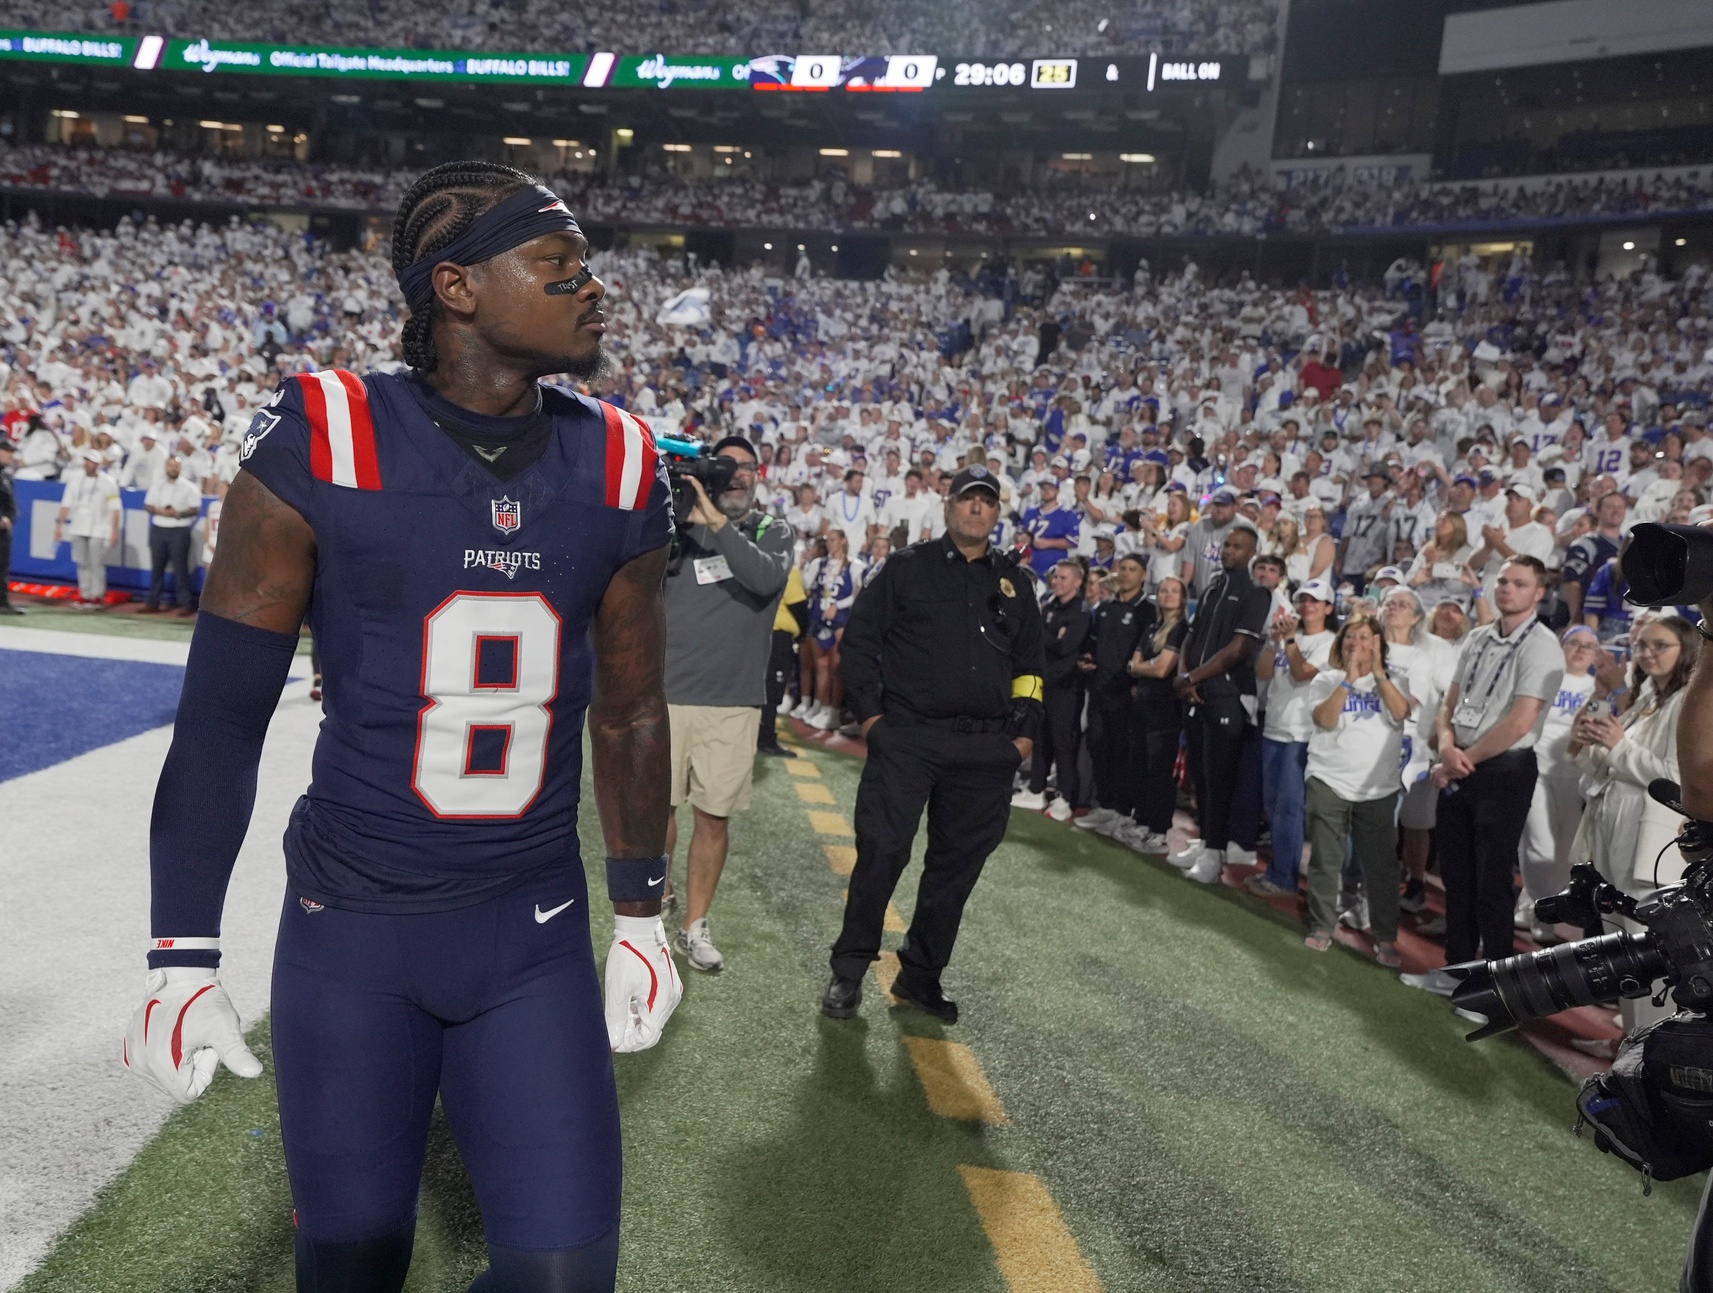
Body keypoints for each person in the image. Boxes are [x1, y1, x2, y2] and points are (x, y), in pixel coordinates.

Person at [123, 161, 681, 1293]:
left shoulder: (620, 457)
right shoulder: (325, 434)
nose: (594, 288)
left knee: (568, 1277)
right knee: (351, 1270)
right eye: (560, 265)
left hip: (530, 929)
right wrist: (180, 949)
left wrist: (642, 912)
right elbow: (224, 719)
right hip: (354, 932)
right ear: (459, 287)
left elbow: (627, 709)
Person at [825, 465, 1044, 1024]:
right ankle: (848, 971)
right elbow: (860, 645)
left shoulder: (1016, 585)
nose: (976, 509)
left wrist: (1022, 736)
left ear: (997, 514)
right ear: (948, 508)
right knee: (881, 854)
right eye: (967, 499)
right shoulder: (906, 568)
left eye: (987, 502)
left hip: (984, 750)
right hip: (909, 738)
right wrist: (873, 720)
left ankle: (920, 976)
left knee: (955, 870)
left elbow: (1031, 669)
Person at [663, 432, 795, 969]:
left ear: (759, 477)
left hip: (734, 703)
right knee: (659, 812)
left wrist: (712, 521)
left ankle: (695, 925)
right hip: (667, 693)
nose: (737, 476)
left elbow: (765, 578)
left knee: (713, 817)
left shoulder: (771, 529)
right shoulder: (674, 524)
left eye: (747, 468)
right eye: (726, 467)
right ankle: (656, 904)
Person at [1403, 556, 1563, 997]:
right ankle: (1456, 971)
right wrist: (1447, 748)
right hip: (1462, 760)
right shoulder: (1476, 637)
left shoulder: (1543, 646)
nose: (1507, 588)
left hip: (1504, 769)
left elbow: (1519, 722)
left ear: (1539, 593)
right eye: (1503, 581)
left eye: (1520, 583)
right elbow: (1448, 706)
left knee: (1492, 880)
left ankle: (1496, 990)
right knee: (1456, 874)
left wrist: (1459, 757)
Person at [1568, 614, 1699, 1042]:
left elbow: (1676, 777)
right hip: (1613, 828)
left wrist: (1617, 745)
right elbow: (1608, 761)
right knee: (1619, 948)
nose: (1646, 653)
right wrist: (1594, 741)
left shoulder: (1689, 702)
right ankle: (1627, 1039)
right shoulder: (1647, 694)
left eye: (1659, 645)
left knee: (1647, 952)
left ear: (1687, 649)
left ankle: (1647, 1051)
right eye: (1640, 644)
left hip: (1648, 841)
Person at [1302, 617, 1413, 964]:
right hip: (1328, 779)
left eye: (1366, 637)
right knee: (1325, 859)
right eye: (1350, 637)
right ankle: (1322, 924)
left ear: (1379, 644)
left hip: (1377, 788)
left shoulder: (1398, 681)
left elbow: (1400, 712)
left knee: (1381, 867)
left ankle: (1385, 936)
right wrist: (1348, 680)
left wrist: (1378, 674)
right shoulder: (1325, 679)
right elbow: (1325, 719)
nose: (1356, 643)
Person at [1170, 522, 1270, 885]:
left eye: (1238, 547)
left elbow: (1238, 649)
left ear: (1251, 553)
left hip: (1226, 696)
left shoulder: (1257, 594)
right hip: (1195, 692)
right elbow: (1191, 636)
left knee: (1220, 776)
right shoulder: (1213, 587)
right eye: (1226, 545)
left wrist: (1191, 678)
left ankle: (1216, 854)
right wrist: (1185, 677)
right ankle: (1207, 843)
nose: (1229, 551)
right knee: (1200, 775)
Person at [1248, 579, 1336, 897]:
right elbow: (1262, 672)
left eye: (1315, 601)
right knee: (1273, 804)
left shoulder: (1331, 642)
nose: (1307, 606)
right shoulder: (1290, 637)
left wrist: (1287, 641)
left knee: (1289, 807)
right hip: (1275, 725)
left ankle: (1284, 877)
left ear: (1328, 607)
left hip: (1302, 733)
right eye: (1303, 601)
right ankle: (1279, 869)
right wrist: (1274, 642)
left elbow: (1302, 673)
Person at [1516, 625, 1599, 940]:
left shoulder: (1596, 687)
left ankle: (1526, 905)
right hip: (1535, 768)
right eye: (1574, 642)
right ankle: (1542, 913)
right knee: (1540, 845)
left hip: (1573, 778)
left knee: (1564, 855)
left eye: (1588, 646)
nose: (1580, 650)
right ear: (1562, 646)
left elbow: (1592, 730)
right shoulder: (1546, 677)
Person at [1075, 553, 1153, 837]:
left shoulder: (1147, 611)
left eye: (1133, 569)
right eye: (1123, 568)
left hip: (1125, 694)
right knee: (1099, 747)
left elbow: (1148, 651)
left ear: (1143, 575)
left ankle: (1122, 811)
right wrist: (1087, 660)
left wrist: (1136, 683)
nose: (1126, 573)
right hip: (1099, 689)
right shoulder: (1106, 608)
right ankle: (1106, 806)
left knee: (1123, 753)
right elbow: (1093, 644)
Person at [1014, 558, 1089, 820]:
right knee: (1041, 738)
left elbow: (1066, 647)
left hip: (1066, 687)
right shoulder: (1050, 607)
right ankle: (1036, 790)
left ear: (1078, 582)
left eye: (1064, 578)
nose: (1057, 582)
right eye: (1056, 577)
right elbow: (1040, 640)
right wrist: (1052, 637)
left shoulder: (1081, 611)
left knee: (1063, 743)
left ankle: (1066, 798)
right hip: (1044, 682)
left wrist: (1048, 638)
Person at [1124, 575, 1189, 853]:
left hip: (1166, 709)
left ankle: (1160, 829)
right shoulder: (1152, 626)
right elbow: (1133, 663)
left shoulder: (1181, 629)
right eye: (1163, 590)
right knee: (1141, 763)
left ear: (1183, 598)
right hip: (1144, 707)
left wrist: (1141, 668)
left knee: (1161, 769)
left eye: (1174, 591)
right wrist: (1143, 666)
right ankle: (1142, 819)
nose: (1167, 595)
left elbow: (1163, 669)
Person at [800, 528, 864, 731]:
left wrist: (839, 605)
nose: (830, 544)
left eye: (834, 540)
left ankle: (835, 711)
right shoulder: (820, 563)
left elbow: (858, 594)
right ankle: (824, 706)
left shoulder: (855, 566)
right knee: (821, 667)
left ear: (843, 541)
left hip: (840, 621)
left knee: (836, 668)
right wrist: (805, 563)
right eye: (828, 540)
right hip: (819, 619)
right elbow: (807, 585)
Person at [54, 448, 120, 607]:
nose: (87, 464)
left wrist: (114, 531)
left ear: (97, 464)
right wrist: (60, 525)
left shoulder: (108, 482)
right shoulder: (75, 479)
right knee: (82, 562)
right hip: (77, 526)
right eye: (86, 461)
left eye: (91, 461)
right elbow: (66, 504)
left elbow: (115, 509)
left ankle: (97, 596)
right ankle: (85, 594)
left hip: (98, 528)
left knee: (96, 563)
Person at [141, 455, 202, 616]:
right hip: (159, 528)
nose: (173, 469)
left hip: (179, 530)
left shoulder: (189, 487)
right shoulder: (157, 485)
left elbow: (195, 508)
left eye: (176, 466)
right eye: (170, 466)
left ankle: (185, 603)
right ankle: (153, 601)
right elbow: (147, 504)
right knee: (157, 568)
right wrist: (159, 511)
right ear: (166, 467)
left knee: (180, 569)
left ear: (180, 468)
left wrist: (178, 513)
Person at [758, 562, 807, 757]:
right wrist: (803, 632)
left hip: (755, 635)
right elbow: (799, 606)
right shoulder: (786, 569)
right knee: (773, 690)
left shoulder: (753, 564)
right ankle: (766, 738)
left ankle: (755, 735)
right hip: (777, 637)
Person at [1181, 485, 1237, 600]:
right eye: (1216, 505)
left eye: (1224, 506)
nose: (1219, 510)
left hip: (1232, 597)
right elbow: (1189, 562)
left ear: (1234, 507)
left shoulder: (1243, 527)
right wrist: (1184, 589)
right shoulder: (1200, 526)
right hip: (1202, 594)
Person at [0, 438, 19, 615]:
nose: (10, 455)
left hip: (3, 529)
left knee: (3, 565)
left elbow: (9, 503)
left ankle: (2, 602)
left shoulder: (6, 474)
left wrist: (10, 518)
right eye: (6, 451)